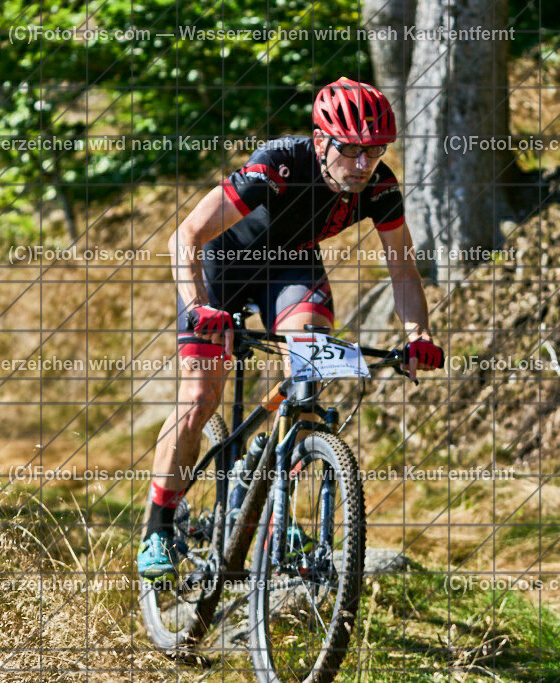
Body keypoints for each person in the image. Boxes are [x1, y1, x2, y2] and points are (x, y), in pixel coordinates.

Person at [138, 77, 444, 581]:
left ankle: (275, 506)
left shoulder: (381, 188)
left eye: (375, 151)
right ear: (321, 141)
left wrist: (417, 334)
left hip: (289, 269)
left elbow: (403, 269)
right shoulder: (278, 164)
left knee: (307, 368)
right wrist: (197, 307)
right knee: (198, 398)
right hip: (223, 266)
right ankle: (158, 524)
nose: (364, 165)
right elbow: (186, 235)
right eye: (351, 151)